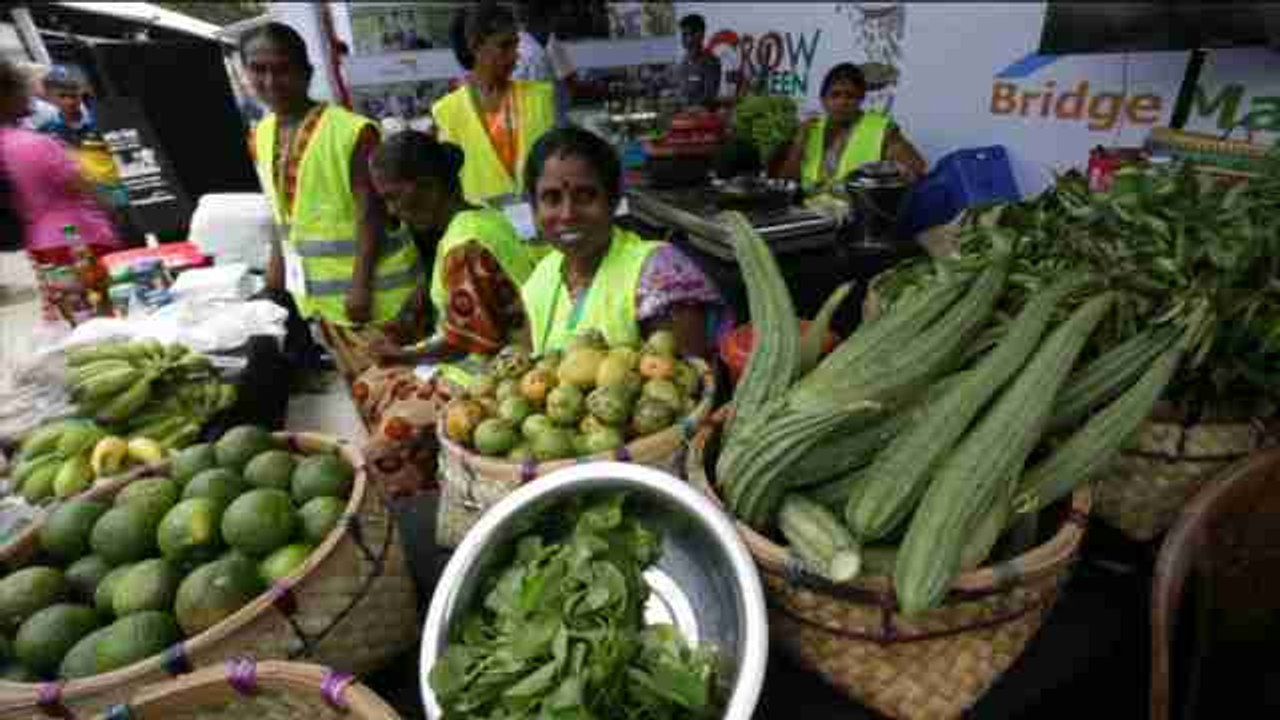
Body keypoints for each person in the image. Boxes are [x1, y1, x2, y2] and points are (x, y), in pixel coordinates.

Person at [351, 131, 542, 499]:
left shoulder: (463, 246)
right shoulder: (481, 218)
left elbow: (463, 343)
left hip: (494, 373)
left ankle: (435, 495)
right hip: (480, 356)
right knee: (368, 383)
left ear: (426, 187)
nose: (391, 211)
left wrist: (403, 354)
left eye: (393, 196)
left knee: (381, 447)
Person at [241, 22, 424, 378]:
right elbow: (284, 213)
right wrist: (274, 279)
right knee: (367, 393)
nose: (270, 81)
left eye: (281, 69)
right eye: (258, 69)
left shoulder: (352, 130)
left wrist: (360, 285)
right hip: (323, 300)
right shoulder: (262, 133)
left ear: (305, 72)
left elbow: (371, 211)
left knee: (401, 392)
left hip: (378, 296)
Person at [520, 127, 732, 360]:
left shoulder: (660, 273)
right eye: (552, 198)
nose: (568, 214)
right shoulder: (540, 280)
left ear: (613, 201)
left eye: (585, 196)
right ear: (534, 208)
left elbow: (688, 381)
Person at [0, 57, 122, 265]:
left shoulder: (12, 142)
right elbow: (84, 187)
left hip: (39, 243)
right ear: (7, 96)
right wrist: (113, 210)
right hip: (77, 236)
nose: (29, 96)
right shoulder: (34, 143)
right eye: (22, 89)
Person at [433, 1, 557, 204]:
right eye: (504, 46)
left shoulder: (541, 97)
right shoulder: (447, 111)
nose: (515, 55)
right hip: (483, 230)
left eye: (515, 45)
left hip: (540, 222)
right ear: (475, 47)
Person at [779, 62, 927, 191]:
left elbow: (917, 167)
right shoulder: (810, 129)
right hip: (812, 213)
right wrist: (799, 142)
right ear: (823, 100)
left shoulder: (881, 130)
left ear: (861, 99)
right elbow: (786, 182)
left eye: (850, 96)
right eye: (835, 95)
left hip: (860, 215)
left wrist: (882, 181)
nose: (842, 102)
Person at [512, 0, 577, 123]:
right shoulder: (535, 57)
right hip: (545, 130)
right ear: (549, 18)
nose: (560, 20)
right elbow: (541, 110)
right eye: (558, 15)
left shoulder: (519, 46)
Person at [34, 66, 96, 148]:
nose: (69, 101)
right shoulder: (48, 131)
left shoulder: (98, 119)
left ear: (82, 94)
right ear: (50, 98)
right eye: (62, 96)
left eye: (74, 96)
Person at [672, 13, 721, 109]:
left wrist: (689, 106)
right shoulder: (683, 63)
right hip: (684, 118)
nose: (687, 39)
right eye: (684, 35)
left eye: (690, 34)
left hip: (702, 120)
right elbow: (680, 92)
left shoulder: (711, 62)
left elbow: (709, 97)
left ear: (701, 35)